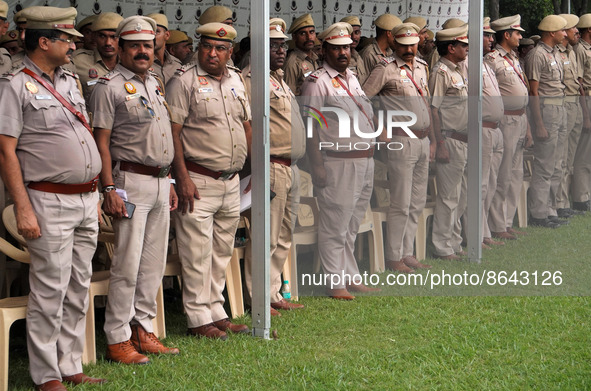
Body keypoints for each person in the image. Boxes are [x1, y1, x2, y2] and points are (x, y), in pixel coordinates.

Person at [0, 6, 105, 390]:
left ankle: (71, 364)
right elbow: (5, 151)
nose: (73, 44)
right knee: (50, 289)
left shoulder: (69, 80)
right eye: (66, 39)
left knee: (78, 284)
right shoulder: (14, 85)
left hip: (83, 199)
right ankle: (46, 375)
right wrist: (23, 206)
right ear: (44, 42)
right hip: (47, 200)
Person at [90, 15, 179, 365]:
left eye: (147, 45)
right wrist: (108, 187)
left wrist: (170, 181)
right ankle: (117, 338)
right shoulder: (108, 86)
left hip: (159, 181)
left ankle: (143, 328)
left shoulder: (154, 82)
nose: (143, 51)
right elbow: (102, 142)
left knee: (152, 264)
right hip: (128, 181)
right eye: (135, 46)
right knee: (126, 264)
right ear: (121, 49)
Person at [166, 22, 252, 340]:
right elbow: (172, 134)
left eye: (219, 48)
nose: (212, 53)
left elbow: (247, 125)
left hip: (230, 181)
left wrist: (250, 171)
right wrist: (182, 178)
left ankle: (216, 310)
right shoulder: (183, 82)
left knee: (221, 250)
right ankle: (197, 317)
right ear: (199, 48)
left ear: (230, 52)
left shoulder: (236, 80)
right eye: (206, 47)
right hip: (198, 179)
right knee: (196, 252)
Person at [301, 22, 377, 300]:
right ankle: (335, 282)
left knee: (352, 223)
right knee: (335, 223)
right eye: (336, 48)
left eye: (346, 47)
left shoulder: (352, 77)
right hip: (337, 161)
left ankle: (350, 275)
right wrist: (317, 164)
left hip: (363, 160)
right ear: (325, 50)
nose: (343, 52)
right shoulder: (317, 81)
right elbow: (310, 125)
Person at [243, 18, 306, 315]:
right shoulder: (251, 78)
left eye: (282, 45)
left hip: (290, 166)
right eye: (273, 45)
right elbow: (251, 125)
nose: (280, 50)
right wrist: (257, 168)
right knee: (265, 236)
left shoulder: (277, 78)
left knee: (284, 235)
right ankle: (258, 298)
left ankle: (272, 292)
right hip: (270, 164)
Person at [362, 22, 434, 272]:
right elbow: (362, 99)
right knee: (400, 202)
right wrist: (378, 128)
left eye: (412, 45)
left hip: (423, 139)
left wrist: (433, 140)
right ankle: (394, 257)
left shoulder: (423, 67)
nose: (408, 50)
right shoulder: (385, 69)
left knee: (417, 201)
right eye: (403, 46)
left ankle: (407, 252)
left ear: (417, 43)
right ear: (395, 44)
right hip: (400, 140)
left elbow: (427, 105)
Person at [486, 15, 533, 239]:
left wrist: (529, 127)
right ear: (506, 35)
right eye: (517, 33)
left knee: (516, 174)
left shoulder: (514, 58)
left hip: (521, 118)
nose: (520, 37)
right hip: (505, 120)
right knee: (502, 174)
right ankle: (496, 225)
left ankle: (506, 221)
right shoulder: (493, 59)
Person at [429, 25, 470, 260]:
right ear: (451, 48)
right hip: (450, 138)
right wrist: (440, 143)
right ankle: (442, 245)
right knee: (448, 196)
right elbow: (433, 110)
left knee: (461, 196)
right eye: (463, 45)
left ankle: (454, 241)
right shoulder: (441, 72)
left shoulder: (456, 71)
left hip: (463, 140)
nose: (466, 49)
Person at [525, 15, 568, 228]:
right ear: (552, 32)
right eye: (562, 30)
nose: (566, 34)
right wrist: (539, 123)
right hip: (547, 109)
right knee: (544, 163)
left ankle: (551, 208)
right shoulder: (537, 54)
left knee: (557, 162)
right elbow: (533, 91)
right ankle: (538, 213)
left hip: (559, 106)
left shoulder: (555, 54)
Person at [555, 14, 588, 218]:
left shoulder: (571, 52)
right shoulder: (556, 53)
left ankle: (565, 201)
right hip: (563, 106)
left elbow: (579, 83)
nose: (577, 31)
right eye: (574, 28)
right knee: (562, 158)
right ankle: (560, 203)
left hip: (575, 104)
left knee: (571, 157)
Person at [479, 18, 506, 248]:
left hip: (496, 129)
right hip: (483, 129)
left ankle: (486, 229)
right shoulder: (469, 64)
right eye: (486, 36)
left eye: (490, 36)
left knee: (492, 182)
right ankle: (479, 233)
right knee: (481, 184)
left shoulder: (486, 64)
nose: (491, 39)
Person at [72, 12, 122, 105]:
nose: (108, 43)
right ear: (94, 37)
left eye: (113, 37)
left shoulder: (129, 62)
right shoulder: (78, 61)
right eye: (102, 36)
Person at [572, 14, 591, 211]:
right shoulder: (580, 49)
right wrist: (585, 112)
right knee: (584, 152)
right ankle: (581, 196)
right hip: (587, 98)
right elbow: (579, 82)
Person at [284, 13, 318, 95]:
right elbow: (289, 97)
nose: (309, 37)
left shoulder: (314, 58)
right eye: (303, 33)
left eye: (311, 32)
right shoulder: (292, 63)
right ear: (294, 37)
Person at [147, 13, 181, 86]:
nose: (152, 36)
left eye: (156, 32)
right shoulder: (141, 64)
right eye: (149, 32)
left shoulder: (176, 65)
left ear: (167, 35)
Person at [340, 16, 368, 84]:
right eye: (350, 33)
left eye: (356, 32)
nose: (354, 37)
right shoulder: (340, 58)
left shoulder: (358, 56)